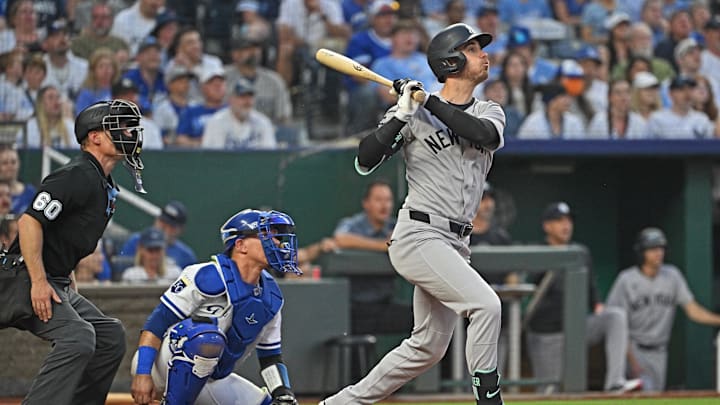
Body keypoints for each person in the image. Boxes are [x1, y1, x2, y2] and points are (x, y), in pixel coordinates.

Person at [321, 23, 506, 405]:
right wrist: (400, 115)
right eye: (473, 49)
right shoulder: (412, 114)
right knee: (486, 306)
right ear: (451, 61)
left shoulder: (489, 109)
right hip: (419, 234)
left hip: (456, 241)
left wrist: (427, 102)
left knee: (427, 347)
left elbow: (481, 134)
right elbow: (364, 161)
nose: (484, 54)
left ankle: (342, 403)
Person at [0, 98, 146, 404]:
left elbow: (64, 235)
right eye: (117, 127)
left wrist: (65, 276)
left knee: (109, 336)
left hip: (54, 280)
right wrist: (39, 282)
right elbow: (29, 223)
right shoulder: (77, 174)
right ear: (94, 137)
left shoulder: (101, 182)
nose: (129, 133)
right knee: (79, 337)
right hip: (21, 279)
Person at [129, 209, 302, 405]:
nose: (277, 242)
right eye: (265, 234)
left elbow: (271, 357)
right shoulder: (206, 276)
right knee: (206, 336)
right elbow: (155, 325)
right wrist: (143, 373)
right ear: (240, 244)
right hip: (161, 367)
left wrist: (283, 392)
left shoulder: (270, 297)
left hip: (212, 377)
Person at [525, 202, 642, 394]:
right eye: (559, 220)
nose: (566, 225)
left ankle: (615, 383)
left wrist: (596, 306)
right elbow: (527, 287)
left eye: (569, 220)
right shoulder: (537, 252)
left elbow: (591, 290)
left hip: (577, 329)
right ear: (547, 226)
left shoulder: (581, 253)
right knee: (547, 392)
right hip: (547, 335)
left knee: (615, 317)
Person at [606, 227, 720, 392]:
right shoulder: (626, 280)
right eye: (652, 249)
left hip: (660, 352)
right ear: (641, 252)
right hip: (635, 348)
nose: (658, 253)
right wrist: (631, 360)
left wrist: (718, 319)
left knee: (657, 395)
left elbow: (693, 310)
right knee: (642, 393)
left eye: (661, 248)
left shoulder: (672, 276)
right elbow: (616, 327)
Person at [201, 78, 277, 150]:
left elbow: (269, 155)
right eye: (242, 96)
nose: (247, 101)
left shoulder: (263, 123)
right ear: (231, 99)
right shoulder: (216, 123)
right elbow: (210, 158)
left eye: (250, 97)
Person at [120, 200, 197, 269]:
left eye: (170, 226)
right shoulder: (136, 241)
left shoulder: (186, 256)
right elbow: (120, 269)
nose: (163, 227)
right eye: (162, 221)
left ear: (180, 230)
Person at [0, 146, 37, 215]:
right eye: (5, 163)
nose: (10, 166)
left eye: (13, 162)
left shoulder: (30, 191)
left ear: (19, 163)